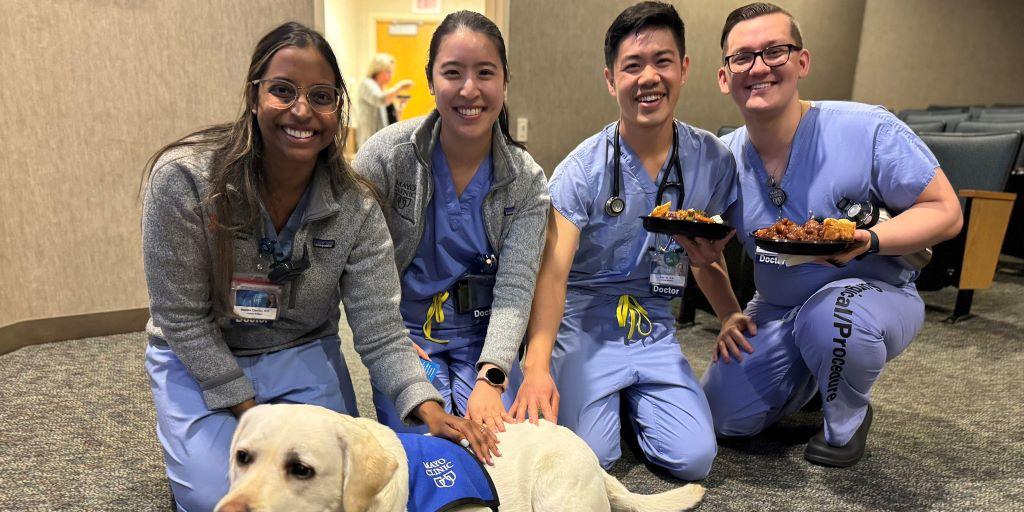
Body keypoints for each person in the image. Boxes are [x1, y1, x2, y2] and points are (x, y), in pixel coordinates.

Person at [141, 22, 498, 511]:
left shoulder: (355, 206)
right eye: (282, 91)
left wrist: (425, 403)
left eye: (322, 96)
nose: (302, 111)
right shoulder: (185, 181)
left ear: (338, 108)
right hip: (199, 356)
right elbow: (181, 318)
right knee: (218, 499)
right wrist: (253, 416)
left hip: (301, 348)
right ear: (253, 95)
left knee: (330, 484)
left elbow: (377, 325)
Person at [701, 2, 963, 467]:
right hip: (778, 306)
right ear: (725, 77)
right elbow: (707, 249)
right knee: (722, 418)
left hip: (873, 294)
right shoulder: (725, 160)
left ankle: (847, 416)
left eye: (775, 52)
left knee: (832, 319)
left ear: (802, 62)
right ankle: (814, 372)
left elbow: (946, 211)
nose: (759, 67)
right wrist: (726, 310)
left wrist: (872, 240)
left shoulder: (868, 128)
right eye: (742, 57)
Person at [510, 1, 737, 481]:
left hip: (653, 321)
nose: (648, 77)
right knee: (592, 460)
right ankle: (600, 398)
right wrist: (537, 364)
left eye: (662, 61)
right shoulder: (581, 170)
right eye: (632, 66)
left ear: (685, 68)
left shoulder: (712, 161)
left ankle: (626, 401)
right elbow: (552, 274)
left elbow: (705, 254)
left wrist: (731, 314)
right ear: (612, 80)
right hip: (585, 320)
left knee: (694, 459)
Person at [355, 11, 549, 435]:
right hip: (406, 336)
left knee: (508, 443)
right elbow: (353, 262)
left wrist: (493, 374)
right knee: (431, 447)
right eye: (452, 72)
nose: (469, 89)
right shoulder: (386, 157)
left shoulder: (526, 181)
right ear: (430, 80)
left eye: (485, 73)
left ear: (504, 81)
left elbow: (516, 289)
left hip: (482, 338)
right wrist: (387, 343)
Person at [356, 53, 413, 148]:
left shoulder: (383, 89)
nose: (391, 75)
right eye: (388, 71)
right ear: (377, 70)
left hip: (382, 142)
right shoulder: (367, 84)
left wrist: (399, 108)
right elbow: (379, 99)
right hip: (369, 143)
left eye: (391, 72)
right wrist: (400, 87)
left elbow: (393, 121)